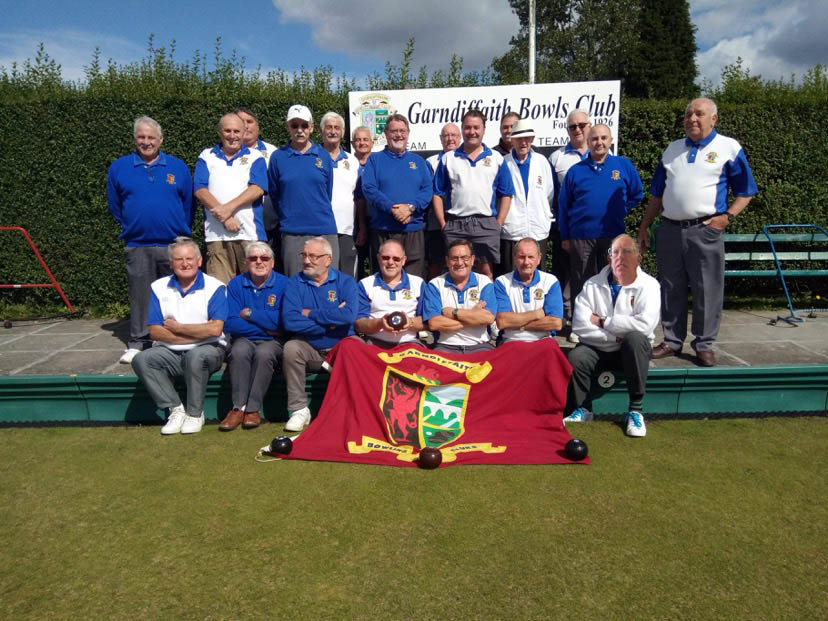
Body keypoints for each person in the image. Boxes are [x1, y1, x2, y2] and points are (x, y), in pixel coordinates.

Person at [638, 97, 758, 367]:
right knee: (670, 287)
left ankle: (704, 344)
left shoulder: (728, 147)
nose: (692, 118)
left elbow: (746, 191)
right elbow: (657, 194)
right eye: (688, 114)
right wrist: (644, 226)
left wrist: (727, 217)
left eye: (699, 114)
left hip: (705, 230)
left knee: (708, 289)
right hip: (669, 229)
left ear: (713, 118)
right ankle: (671, 340)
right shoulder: (672, 149)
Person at [107, 116, 194, 364]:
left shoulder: (177, 167)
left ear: (161, 139)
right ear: (135, 139)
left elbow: (188, 204)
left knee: (178, 293)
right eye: (141, 137)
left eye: (151, 137)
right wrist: (134, 224)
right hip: (138, 243)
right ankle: (139, 342)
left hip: (173, 243)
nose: (146, 142)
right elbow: (115, 205)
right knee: (141, 294)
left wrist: (178, 229)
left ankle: (176, 338)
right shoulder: (119, 167)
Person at [564, 234, 660, 438]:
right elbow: (580, 325)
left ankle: (635, 410)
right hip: (599, 349)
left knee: (635, 339)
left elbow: (644, 326)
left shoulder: (650, 285)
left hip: (631, 351)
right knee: (577, 356)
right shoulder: (591, 284)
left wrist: (604, 322)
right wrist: (616, 337)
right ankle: (584, 409)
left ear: (638, 258)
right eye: (615, 252)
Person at [131, 237, 228, 435]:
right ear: (171, 263)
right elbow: (155, 331)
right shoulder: (158, 287)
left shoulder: (215, 287)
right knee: (141, 359)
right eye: (179, 259)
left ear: (199, 261)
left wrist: (177, 327)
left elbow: (215, 330)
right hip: (172, 351)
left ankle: (195, 414)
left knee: (195, 355)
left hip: (210, 351)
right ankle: (175, 409)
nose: (185, 264)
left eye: (190, 258)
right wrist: (198, 333)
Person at [558, 123, 644, 342]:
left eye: (604, 138)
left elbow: (637, 194)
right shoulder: (576, 171)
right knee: (583, 282)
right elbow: (563, 205)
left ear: (611, 140)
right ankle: (580, 325)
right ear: (588, 142)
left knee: (614, 280)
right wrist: (566, 236)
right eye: (595, 139)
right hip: (581, 236)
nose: (599, 143)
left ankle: (612, 323)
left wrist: (620, 209)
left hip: (612, 236)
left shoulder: (623, 166)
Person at [281, 237, 359, 431]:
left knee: (356, 345)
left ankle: (350, 408)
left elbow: (348, 316)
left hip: (339, 346)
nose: (307, 260)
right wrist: (331, 324)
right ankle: (299, 410)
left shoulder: (346, 282)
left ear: (328, 259)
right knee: (291, 348)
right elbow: (290, 321)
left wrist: (311, 314)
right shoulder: (294, 283)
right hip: (311, 348)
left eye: (314, 256)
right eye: (305, 255)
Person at [432, 109, 515, 279]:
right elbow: (437, 194)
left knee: (486, 272)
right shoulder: (449, 158)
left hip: (486, 224)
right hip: (456, 224)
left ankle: (486, 306)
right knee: (456, 270)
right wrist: (443, 223)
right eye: (468, 127)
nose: (472, 132)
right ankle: (455, 305)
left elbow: (506, 194)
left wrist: (498, 223)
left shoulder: (496, 158)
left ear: (484, 129)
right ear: (463, 130)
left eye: (476, 127)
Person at [220, 242, 289, 431]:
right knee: (239, 350)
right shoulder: (236, 284)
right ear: (245, 262)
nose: (259, 262)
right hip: (246, 339)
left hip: (274, 342)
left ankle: (253, 409)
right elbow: (231, 322)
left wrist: (251, 315)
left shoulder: (285, 284)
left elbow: (284, 322)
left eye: (264, 258)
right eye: (253, 258)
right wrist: (267, 328)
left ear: (273, 262)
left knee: (264, 353)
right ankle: (238, 408)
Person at [194, 113, 267, 284]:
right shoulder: (206, 156)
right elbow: (199, 190)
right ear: (220, 132)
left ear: (243, 133)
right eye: (227, 131)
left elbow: (257, 188)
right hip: (216, 236)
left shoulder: (255, 157)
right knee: (220, 289)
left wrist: (226, 210)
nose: (232, 136)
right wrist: (226, 217)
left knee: (253, 286)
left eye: (236, 131)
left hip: (250, 234)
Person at [361, 114, 433, 279]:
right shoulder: (374, 160)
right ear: (386, 133)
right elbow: (369, 188)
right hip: (383, 230)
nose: (398, 135)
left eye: (402, 131)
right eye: (394, 131)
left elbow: (427, 190)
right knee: (383, 281)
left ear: (408, 133)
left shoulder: (419, 162)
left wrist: (410, 208)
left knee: (414, 283)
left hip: (412, 230)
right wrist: (392, 209)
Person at [267, 105, 336, 276]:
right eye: (294, 125)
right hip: (292, 232)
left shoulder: (323, 156)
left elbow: (327, 192)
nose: (299, 130)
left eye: (304, 125)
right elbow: (275, 194)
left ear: (311, 128)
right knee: (296, 284)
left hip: (324, 229)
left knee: (327, 282)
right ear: (287, 127)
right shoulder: (278, 157)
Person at [548, 109, 592, 326]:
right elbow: (551, 196)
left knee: (590, 276)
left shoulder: (606, 155)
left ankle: (583, 319)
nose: (578, 129)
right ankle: (563, 316)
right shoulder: (556, 158)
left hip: (595, 231)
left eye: (582, 125)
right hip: (564, 229)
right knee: (562, 275)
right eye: (573, 126)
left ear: (590, 126)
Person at [500, 118, 556, 275]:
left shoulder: (542, 162)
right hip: (513, 231)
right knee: (511, 277)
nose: (523, 142)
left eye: (527, 138)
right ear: (512, 140)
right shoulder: (503, 163)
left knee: (538, 277)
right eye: (519, 139)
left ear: (532, 139)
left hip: (538, 231)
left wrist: (542, 215)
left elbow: (548, 194)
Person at [422, 239, 497, 354]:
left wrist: (454, 313)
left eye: (464, 258)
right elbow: (434, 323)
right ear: (447, 261)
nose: (460, 263)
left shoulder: (484, 282)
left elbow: (488, 318)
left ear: (472, 260)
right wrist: (473, 315)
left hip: (480, 345)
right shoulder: (435, 284)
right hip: (445, 346)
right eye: (454, 258)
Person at [355, 239, 425, 347]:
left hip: (410, 343)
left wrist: (409, 322)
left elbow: (427, 321)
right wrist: (379, 323)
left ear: (404, 260)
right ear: (378, 258)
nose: (391, 262)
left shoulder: (418, 283)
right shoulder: (365, 284)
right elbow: (359, 323)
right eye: (385, 258)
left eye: (396, 259)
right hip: (375, 343)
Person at [321, 111, 366, 279]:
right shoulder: (312, 158)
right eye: (329, 127)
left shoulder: (352, 161)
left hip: (347, 229)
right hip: (319, 229)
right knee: (322, 274)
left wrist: (362, 227)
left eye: (337, 128)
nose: (333, 131)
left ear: (343, 132)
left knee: (347, 276)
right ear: (321, 131)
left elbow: (359, 197)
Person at [235, 107, 280, 268]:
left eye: (250, 121)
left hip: (270, 226)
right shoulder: (226, 153)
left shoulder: (273, 152)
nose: (246, 126)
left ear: (258, 127)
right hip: (237, 225)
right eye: (241, 122)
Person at [494, 237, 563, 343]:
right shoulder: (502, 282)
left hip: (543, 340)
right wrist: (535, 314)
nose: (526, 262)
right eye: (522, 257)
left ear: (539, 258)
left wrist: (519, 324)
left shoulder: (551, 281)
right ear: (514, 257)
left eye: (531, 257)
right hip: (510, 340)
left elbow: (556, 323)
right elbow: (502, 322)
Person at [425, 123, 461, 279]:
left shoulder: (466, 159)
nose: (450, 139)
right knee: (436, 263)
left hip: (461, 222)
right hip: (435, 223)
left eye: (454, 135)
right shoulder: (430, 162)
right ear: (441, 139)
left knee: (461, 260)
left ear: (460, 138)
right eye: (446, 135)